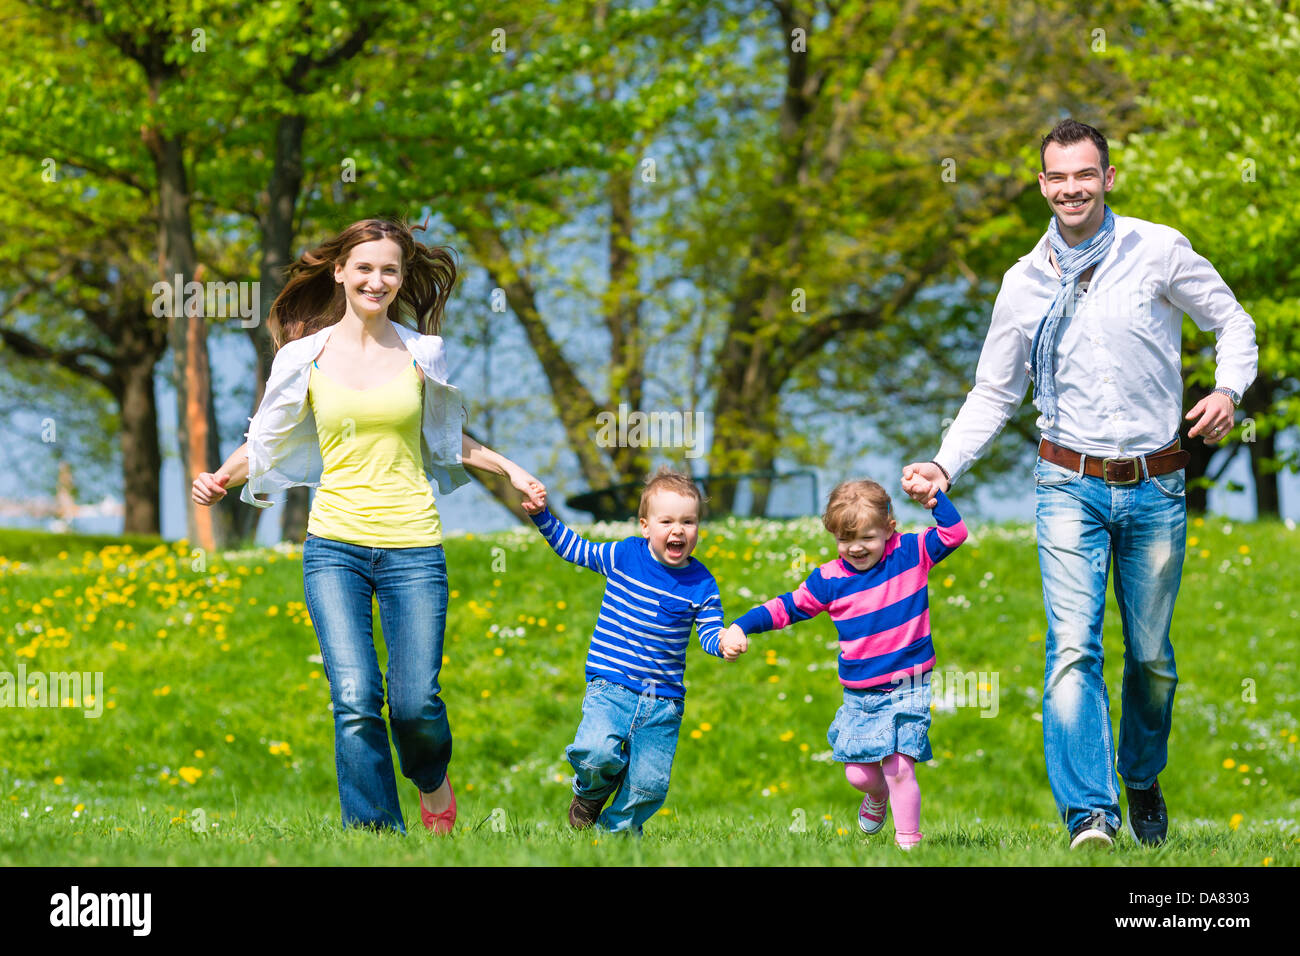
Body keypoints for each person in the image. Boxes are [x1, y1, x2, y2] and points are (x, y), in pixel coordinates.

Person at [901, 119, 1258, 849]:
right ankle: (1088, 812)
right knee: (1072, 647)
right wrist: (944, 464)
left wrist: (1228, 391)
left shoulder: (1157, 249)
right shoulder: (1023, 283)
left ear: (1107, 177)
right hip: (1067, 482)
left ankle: (1142, 772)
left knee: (1153, 657)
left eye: (1084, 175)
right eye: (1058, 178)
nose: (1071, 189)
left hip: (1157, 483)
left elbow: (1233, 322)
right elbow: (995, 392)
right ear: (1042, 185)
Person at [192, 218, 544, 835]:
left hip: (413, 546)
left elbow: (443, 437)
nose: (375, 279)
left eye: (388, 270)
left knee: (414, 705)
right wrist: (220, 476)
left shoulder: (421, 353)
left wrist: (509, 468)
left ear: (401, 279)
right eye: (364, 267)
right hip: (335, 547)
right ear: (339, 272)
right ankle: (377, 839)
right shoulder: (304, 355)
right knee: (355, 699)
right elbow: (268, 437)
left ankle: (431, 777)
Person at [720, 479, 966, 850]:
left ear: (889, 528)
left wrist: (934, 499)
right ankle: (877, 796)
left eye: (867, 537)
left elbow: (954, 533)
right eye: (844, 540)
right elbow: (788, 607)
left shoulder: (911, 552)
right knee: (859, 775)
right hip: (859, 696)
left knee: (900, 766)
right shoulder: (830, 579)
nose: (855, 548)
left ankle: (909, 843)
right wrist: (742, 625)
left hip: (908, 686)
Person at [520, 467, 744, 834]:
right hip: (610, 687)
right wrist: (542, 516)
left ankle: (614, 841)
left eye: (689, 522)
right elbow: (575, 549)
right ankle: (591, 791)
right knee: (594, 753)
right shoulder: (625, 556)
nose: (678, 530)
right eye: (667, 520)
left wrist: (723, 642)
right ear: (645, 525)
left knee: (648, 786)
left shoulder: (702, 583)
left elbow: (708, 631)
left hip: (664, 702)